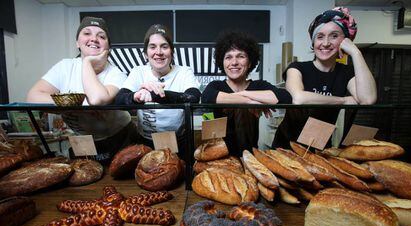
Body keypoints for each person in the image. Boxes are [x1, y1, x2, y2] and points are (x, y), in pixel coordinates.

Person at [26, 16, 138, 163]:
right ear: (77, 43)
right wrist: (71, 106)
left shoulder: (116, 74)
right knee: (84, 179)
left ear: (108, 47)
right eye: (87, 33)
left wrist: (86, 62)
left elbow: (97, 100)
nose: (94, 39)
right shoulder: (65, 67)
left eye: (101, 36)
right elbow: (33, 96)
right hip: (81, 137)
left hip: (120, 137)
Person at [272, 7, 377, 149]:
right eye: (320, 36)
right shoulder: (297, 68)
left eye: (334, 36)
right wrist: (343, 100)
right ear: (313, 42)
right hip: (287, 144)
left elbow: (368, 99)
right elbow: (299, 98)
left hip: (319, 143)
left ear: (344, 41)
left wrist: (355, 52)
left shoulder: (346, 72)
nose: (326, 43)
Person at [201, 30, 292, 156]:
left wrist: (246, 94)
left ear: (249, 63)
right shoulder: (216, 85)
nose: (234, 62)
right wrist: (251, 102)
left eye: (241, 56)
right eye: (228, 57)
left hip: (249, 156)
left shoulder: (259, 85)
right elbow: (207, 97)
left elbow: (285, 97)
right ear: (222, 62)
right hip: (220, 156)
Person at [114, 24, 201, 155]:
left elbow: (193, 97)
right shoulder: (138, 71)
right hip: (144, 142)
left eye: (164, 47)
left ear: (171, 52)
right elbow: (120, 100)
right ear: (145, 53)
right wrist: (136, 96)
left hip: (178, 142)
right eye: (152, 47)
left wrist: (155, 94)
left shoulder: (184, 71)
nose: (158, 52)